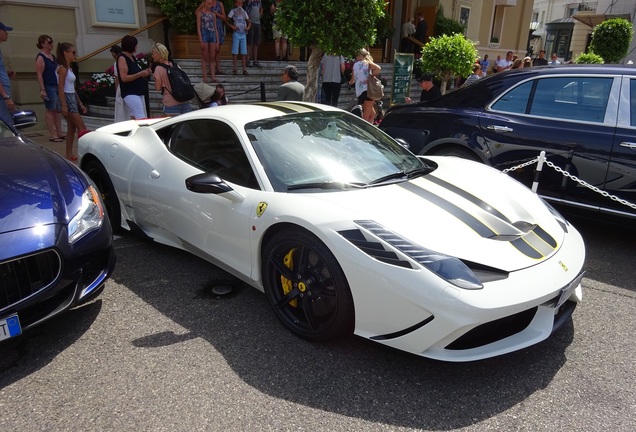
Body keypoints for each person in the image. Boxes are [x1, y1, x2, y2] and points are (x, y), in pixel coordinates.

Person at [55, 42, 87, 161]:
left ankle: (69, 153)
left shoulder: (69, 68)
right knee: (82, 127)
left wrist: (80, 103)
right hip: (67, 99)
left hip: (71, 97)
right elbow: (61, 88)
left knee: (72, 128)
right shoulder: (63, 69)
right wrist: (64, 105)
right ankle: (84, 153)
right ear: (65, 53)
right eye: (73, 52)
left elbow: (71, 88)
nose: (75, 55)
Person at [35, 34, 64, 141]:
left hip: (56, 85)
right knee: (50, 109)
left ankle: (59, 132)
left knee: (57, 110)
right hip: (48, 85)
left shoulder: (53, 57)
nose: (51, 44)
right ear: (42, 44)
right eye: (49, 42)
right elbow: (39, 74)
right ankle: (53, 134)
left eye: (52, 42)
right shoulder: (41, 57)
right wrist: (42, 89)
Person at [151, 43, 192, 116]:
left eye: (153, 53)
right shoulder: (175, 65)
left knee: (173, 126)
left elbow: (157, 88)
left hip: (171, 102)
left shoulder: (158, 69)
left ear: (159, 54)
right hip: (184, 100)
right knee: (185, 126)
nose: (152, 56)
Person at [117, 35, 151, 120]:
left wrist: (144, 73)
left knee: (134, 116)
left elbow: (135, 72)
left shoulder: (132, 57)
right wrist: (140, 74)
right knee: (140, 116)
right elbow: (124, 78)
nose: (137, 47)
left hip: (138, 91)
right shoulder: (122, 58)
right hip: (130, 92)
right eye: (135, 45)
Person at [348, 48, 381, 123]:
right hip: (368, 90)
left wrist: (350, 83)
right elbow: (378, 69)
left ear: (359, 55)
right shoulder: (367, 63)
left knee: (372, 113)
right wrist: (371, 76)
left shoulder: (355, 65)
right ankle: (365, 130)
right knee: (367, 113)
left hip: (359, 92)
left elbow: (352, 80)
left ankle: (369, 127)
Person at [197, 0, 219, 83]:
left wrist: (217, 41)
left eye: (211, 3)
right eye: (208, 3)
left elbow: (215, 28)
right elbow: (198, 27)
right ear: (205, 3)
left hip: (212, 34)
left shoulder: (213, 14)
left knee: (212, 56)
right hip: (204, 34)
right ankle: (205, 76)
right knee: (204, 56)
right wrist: (201, 40)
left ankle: (213, 77)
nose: (210, 5)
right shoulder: (200, 14)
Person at [227, 0, 250, 76]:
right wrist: (232, 26)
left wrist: (248, 27)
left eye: (241, 3)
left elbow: (249, 21)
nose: (240, 5)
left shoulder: (244, 12)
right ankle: (235, 69)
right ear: (235, 3)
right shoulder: (233, 11)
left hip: (243, 34)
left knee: (244, 52)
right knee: (235, 52)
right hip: (236, 33)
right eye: (238, 3)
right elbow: (227, 20)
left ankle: (244, 69)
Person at [0, 21, 16, 127]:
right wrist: (6, 97)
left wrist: (7, 73)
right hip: (1, 96)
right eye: (5, 30)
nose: (7, 33)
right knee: (7, 126)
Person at [110, 45, 130, 122]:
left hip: (123, 87)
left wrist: (117, 91)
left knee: (123, 108)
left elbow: (117, 79)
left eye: (114, 56)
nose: (114, 58)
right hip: (123, 87)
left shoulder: (118, 63)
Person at [244, 0, 263, 68]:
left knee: (256, 42)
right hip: (251, 22)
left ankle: (255, 60)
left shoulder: (259, 1)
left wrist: (260, 14)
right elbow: (246, 10)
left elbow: (261, 8)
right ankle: (247, 59)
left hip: (258, 23)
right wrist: (248, 20)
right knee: (249, 42)